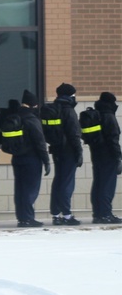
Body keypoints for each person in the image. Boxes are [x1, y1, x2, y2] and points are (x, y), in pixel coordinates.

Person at [10, 92, 50, 227]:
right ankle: (28, 218)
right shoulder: (32, 119)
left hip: (17, 159)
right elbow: (40, 142)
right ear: (33, 104)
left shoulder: (15, 117)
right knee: (30, 190)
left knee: (20, 189)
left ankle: (22, 217)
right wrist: (46, 161)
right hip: (31, 160)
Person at [48, 83, 84, 226]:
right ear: (69, 95)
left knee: (58, 181)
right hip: (69, 151)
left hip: (56, 150)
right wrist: (79, 151)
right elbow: (74, 134)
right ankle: (67, 214)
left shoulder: (54, 109)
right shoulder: (69, 111)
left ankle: (56, 214)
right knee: (67, 183)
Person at [89, 91, 122, 224]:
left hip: (96, 154)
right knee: (107, 186)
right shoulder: (109, 116)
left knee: (98, 183)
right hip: (108, 155)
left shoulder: (97, 115)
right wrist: (118, 157)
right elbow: (113, 139)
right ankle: (106, 214)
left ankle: (97, 213)